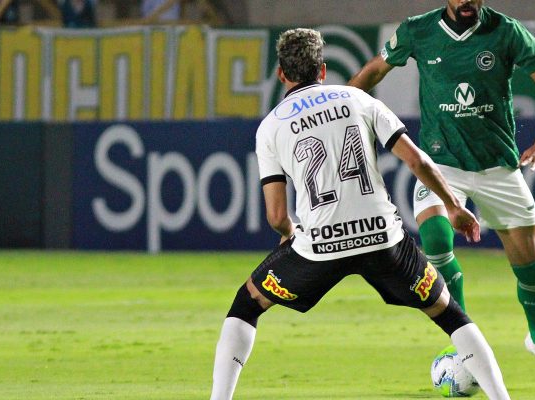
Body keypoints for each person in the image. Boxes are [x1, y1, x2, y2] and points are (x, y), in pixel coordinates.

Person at [209, 28, 511, 400]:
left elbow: (275, 215)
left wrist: (289, 233)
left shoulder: (270, 126)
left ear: (281, 74)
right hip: (382, 238)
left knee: (247, 304)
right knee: (448, 312)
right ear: (323, 71)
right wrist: (453, 205)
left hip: (319, 245)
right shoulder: (357, 99)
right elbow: (416, 159)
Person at [348, 0, 535, 389]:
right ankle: (466, 342)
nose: (467, 1)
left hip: (497, 167)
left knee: (532, 272)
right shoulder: (418, 30)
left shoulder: (506, 32)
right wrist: (340, 103)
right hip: (441, 165)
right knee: (435, 239)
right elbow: (374, 71)